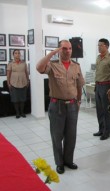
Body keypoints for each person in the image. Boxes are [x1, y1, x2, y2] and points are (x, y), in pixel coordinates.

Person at [36, 40, 85, 174]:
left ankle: (68, 160)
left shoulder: (76, 66)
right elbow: (39, 67)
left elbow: (79, 85)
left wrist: (79, 101)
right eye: (64, 48)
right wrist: (52, 53)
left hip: (73, 105)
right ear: (59, 49)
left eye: (69, 48)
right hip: (56, 105)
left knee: (71, 136)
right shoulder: (52, 65)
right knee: (57, 136)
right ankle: (59, 163)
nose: (68, 51)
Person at [93, 38, 110, 140]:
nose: (98, 47)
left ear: (106, 46)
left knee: (106, 110)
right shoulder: (98, 58)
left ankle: (107, 132)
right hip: (98, 86)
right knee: (99, 110)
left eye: (100, 45)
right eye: (98, 45)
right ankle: (101, 129)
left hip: (106, 86)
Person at [7, 49, 29, 118]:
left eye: (19, 53)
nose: (17, 54)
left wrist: (28, 81)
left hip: (23, 83)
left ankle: (22, 112)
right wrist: (8, 83)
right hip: (14, 83)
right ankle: (17, 113)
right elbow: (8, 74)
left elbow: (26, 72)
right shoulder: (10, 63)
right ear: (13, 55)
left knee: (23, 99)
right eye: (16, 53)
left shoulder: (23, 63)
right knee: (15, 99)